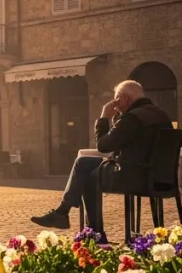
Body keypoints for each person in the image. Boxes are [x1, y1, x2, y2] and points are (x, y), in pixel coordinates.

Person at [31, 80, 172, 237]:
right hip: (159, 177)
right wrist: (119, 118)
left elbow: (103, 146)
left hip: (133, 176)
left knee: (89, 177)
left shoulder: (133, 118)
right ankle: (63, 213)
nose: (116, 105)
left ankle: (94, 233)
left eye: (117, 101)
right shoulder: (162, 115)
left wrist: (104, 117)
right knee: (84, 163)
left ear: (124, 97)